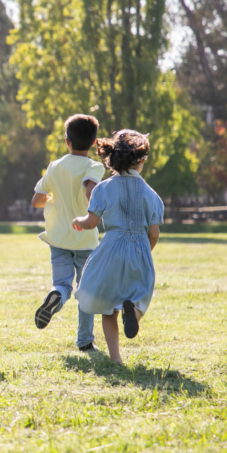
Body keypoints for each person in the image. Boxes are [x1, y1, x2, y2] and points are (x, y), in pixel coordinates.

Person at [71, 130, 164, 364]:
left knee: (107, 306)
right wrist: (145, 252)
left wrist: (78, 221)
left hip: (111, 248)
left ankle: (116, 360)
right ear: (141, 160)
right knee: (140, 296)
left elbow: (91, 222)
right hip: (140, 248)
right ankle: (134, 313)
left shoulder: (103, 188)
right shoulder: (152, 195)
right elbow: (154, 233)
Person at [31, 114, 106, 351]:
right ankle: (85, 341)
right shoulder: (95, 166)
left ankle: (55, 296)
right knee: (86, 290)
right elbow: (90, 192)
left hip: (58, 238)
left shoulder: (55, 166)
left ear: (67, 141)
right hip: (84, 238)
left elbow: (36, 201)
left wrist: (56, 198)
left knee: (62, 284)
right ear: (94, 143)